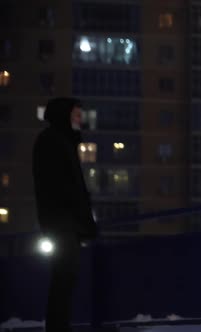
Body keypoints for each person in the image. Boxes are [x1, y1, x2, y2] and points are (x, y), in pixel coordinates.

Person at [32, 97, 98, 332]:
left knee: (65, 280)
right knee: (63, 280)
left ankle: (59, 327)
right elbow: (62, 187)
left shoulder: (62, 142)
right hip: (62, 224)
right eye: (76, 115)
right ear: (64, 115)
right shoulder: (52, 141)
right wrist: (79, 220)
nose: (81, 119)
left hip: (66, 224)